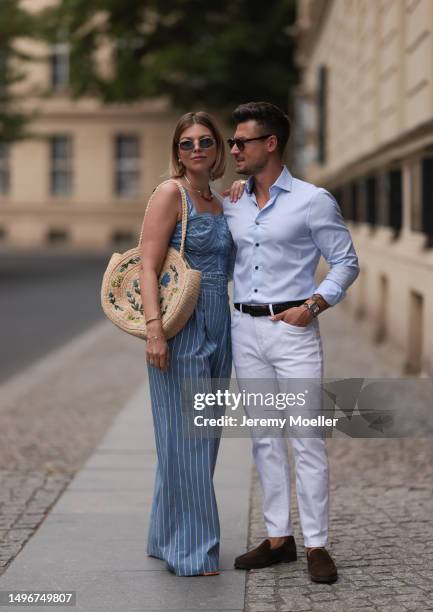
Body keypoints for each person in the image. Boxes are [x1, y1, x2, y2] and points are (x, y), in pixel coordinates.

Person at [223, 101, 359, 583]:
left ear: (271, 143)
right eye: (234, 141)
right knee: (263, 438)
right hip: (245, 330)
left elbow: (346, 262)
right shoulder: (233, 201)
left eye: (242, 141)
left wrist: (314, 306)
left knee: (305, 438)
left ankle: (318, 544)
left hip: (294, 330)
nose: (233, 148)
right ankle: (279, 538)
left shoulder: (312, 200)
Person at [139, 111, 241, 577]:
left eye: (205, 141)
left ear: (218, 149)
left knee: (201, 438)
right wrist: (155, 330)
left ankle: (164, 536)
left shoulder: (219, 200)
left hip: (221, 322)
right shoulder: (170, 194)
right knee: (187, 440)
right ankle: (194, 550)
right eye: (186, 143)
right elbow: (146, 265)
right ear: (176, 152)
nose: (196, 149)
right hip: (182, 324)